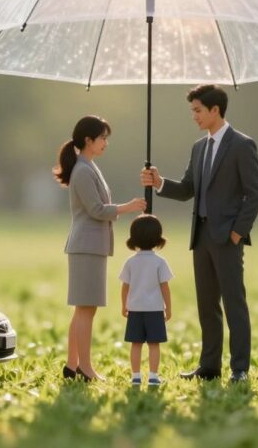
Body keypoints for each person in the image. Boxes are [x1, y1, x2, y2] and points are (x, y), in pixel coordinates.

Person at [140, 85, 258, 383]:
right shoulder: (199, 147)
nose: (193, 116)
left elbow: (255, 194)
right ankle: (209, 367)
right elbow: (187, 190)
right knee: (206, 305)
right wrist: (158, 182)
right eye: (192, 111)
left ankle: (240, 369)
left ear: (214, 110)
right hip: (202, 237)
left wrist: (237, 233)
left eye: (197, 110)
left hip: (227, 238)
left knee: (234, 303)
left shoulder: (242, 145)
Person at [55, 115, 146, 382]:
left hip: (91, 246)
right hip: (86, 246)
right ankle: (84, 367)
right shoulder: (83, 170)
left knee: (84, 309)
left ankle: (73, 365)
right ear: (88, 140)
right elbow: (96, 209)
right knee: (86, 309)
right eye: (103, 138)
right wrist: (128, 207)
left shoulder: (89, 167)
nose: (106, 143)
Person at [119, 214, 173, 387]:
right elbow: (165, 287)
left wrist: (124, 305)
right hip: (155, 309)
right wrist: (168, 308)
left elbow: (125, 287)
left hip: (135, 308)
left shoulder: (130, 262)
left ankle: (135, 376)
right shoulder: (160, 262)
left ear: (133, 238)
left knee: (136, 343)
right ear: (158, 238)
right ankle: (153, 376)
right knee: (154, 344)